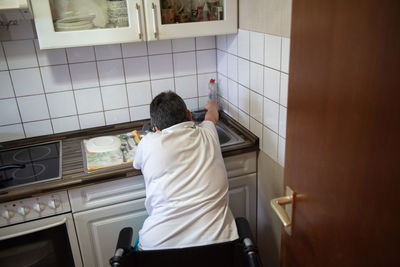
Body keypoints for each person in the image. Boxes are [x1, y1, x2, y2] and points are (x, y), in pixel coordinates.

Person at [133, 91, 238, 250]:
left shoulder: (147, 143)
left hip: (159, 249)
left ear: (156, 127)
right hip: (219, 246)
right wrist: (212, 106)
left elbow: (136, 165)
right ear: (189, 115)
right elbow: (211, 117)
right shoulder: (207, 133)